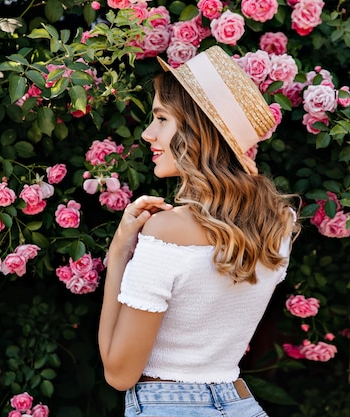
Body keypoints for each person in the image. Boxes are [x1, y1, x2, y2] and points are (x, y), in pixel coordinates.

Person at [98, 45, 299, 417]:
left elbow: (119, 372)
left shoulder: (166, 230)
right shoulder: (279, 223)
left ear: (195, 129)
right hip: (241, 404)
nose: (147, 133)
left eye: (161, 118)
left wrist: (118, 253)